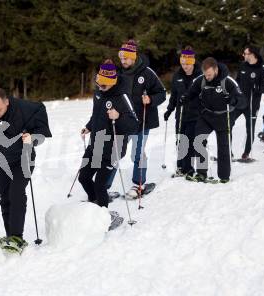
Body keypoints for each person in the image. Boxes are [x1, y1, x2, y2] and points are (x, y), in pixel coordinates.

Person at [0, 88, 51, 250]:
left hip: (24, 158)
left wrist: (32, 138)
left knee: (16, 193)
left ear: (7, 101)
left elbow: (41, 125)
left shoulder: (24, 108)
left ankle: (16, 238)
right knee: (4, 198)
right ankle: (10, 236)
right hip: (1, 159)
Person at [79, 59, 138, 209]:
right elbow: (96, 115)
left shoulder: (122, 96)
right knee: (84, 177)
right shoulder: (99, 92)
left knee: (100, 184)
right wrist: (89, 127)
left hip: (113, 148)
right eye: (98, 83)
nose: (100, 87)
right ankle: (94, 203)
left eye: (103, 85)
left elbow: (133, 125)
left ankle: (103, 215)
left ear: (113, 81)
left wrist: (119, 117)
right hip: (96, 144)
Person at [116, 39, 166, 198]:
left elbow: (162, 93)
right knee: (115, 153)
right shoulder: (118, 73)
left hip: (142, 120)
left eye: (125, 58)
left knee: (137, 154)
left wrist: (150, 99)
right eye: (121, 58)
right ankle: (104, 187)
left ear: (133, 57)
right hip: (122, 121)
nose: (122, 61)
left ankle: (139, 184)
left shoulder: (147, 73)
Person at [185, 57, 243, 183]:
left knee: (223, 146)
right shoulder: (202, 80)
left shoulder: (227, 81)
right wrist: (185, 98)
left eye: (210, 74)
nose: (207, 77)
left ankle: (224, 176)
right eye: (205, 75)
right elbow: (192, 92)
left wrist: (233, 100)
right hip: (206, 115)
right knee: (198, 140)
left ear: (216, 70)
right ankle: (201, 173)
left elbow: (240, 98)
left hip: (222, 116)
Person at [164, 46, 202, 177]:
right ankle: (180, 167)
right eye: (183, 64)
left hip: (195, 115)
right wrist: (169, 110)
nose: (185, 66)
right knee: (180, 141)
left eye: (187, 64)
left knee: (189, 142)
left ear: (193, 62)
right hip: (180, 115)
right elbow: (174, 95)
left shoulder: (200, 76)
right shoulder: (177, 76)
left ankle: (189, 168)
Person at [232, 45, 264, 160]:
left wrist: (256, 87)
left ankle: (246, 153)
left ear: (253, 54)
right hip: (239, 103)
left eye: (246, 53)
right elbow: (237, 82)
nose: (244, 55)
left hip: (252, 104)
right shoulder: (242, 65)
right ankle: (228, 151)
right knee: (227, 124)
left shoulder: (263, 69)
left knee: (250, 129)